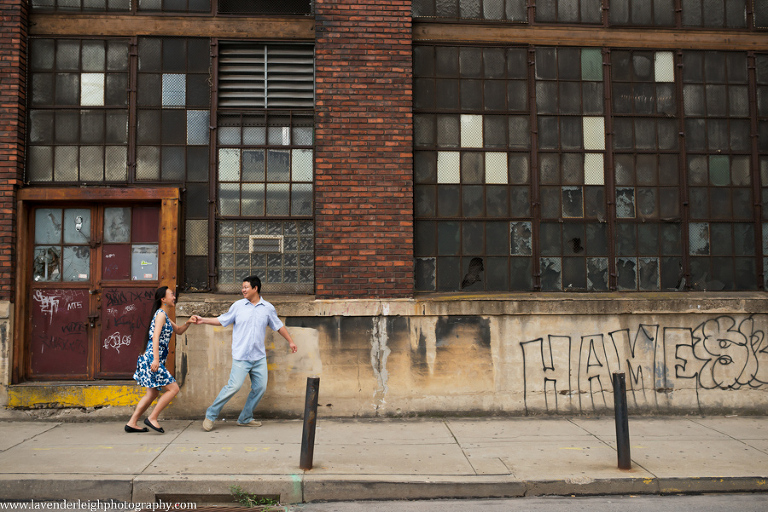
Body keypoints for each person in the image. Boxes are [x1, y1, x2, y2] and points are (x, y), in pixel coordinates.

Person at [191, 275, 297, 431]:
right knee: (233, 387)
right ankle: (211, 415)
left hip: (258, 357)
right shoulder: (238, 306)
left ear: (255, 288)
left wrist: (290, 341)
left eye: (246, 287)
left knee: (260, 388)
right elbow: (223, 320)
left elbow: (278, 326)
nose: (243, 290)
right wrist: (203, 320)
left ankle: (245, 418)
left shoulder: (267, 308)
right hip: (241, 357)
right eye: (243, 287)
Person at [125, 286, 192, 434]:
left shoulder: (164, 316)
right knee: (173, 388)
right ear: (163, 299)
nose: (174, 297)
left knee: (152, 394)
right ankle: (153, 418)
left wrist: (188, 322)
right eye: (171, 295)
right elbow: (155, 337)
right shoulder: (161, 314)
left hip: (150, 358)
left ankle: (132, 423)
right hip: (151, 358)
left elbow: (179, 331)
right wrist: (156, 359)